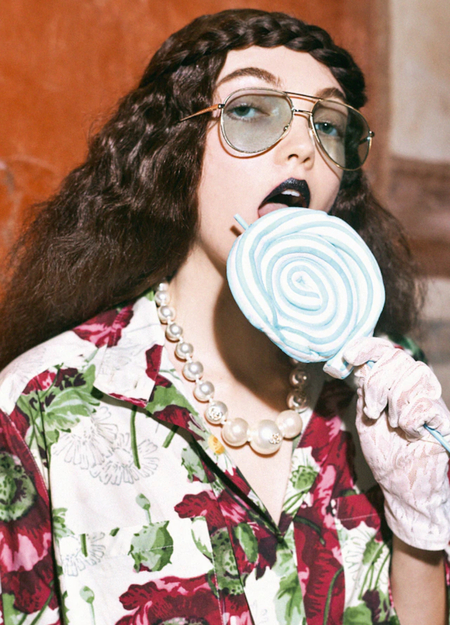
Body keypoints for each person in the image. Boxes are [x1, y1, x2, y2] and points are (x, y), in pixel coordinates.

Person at [0, 9, 448, 625]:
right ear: (176, 152)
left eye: (328, 125)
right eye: (250, 110)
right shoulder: (40, 405)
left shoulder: (385, 386)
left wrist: (419, 525)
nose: (303, 146)